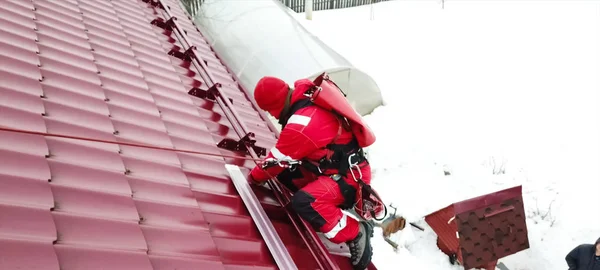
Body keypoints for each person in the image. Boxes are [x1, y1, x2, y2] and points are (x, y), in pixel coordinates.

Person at [248, 76, 376, 270]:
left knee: (305, 202)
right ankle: (323, 209)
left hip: (349, 178)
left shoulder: (303, 123)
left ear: (276, 104)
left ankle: (356, 231)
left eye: (269, 110)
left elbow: (275, 161)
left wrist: (252, 179)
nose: (272, 116)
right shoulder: (305, 94)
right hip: (335, 168)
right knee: (285, 175)